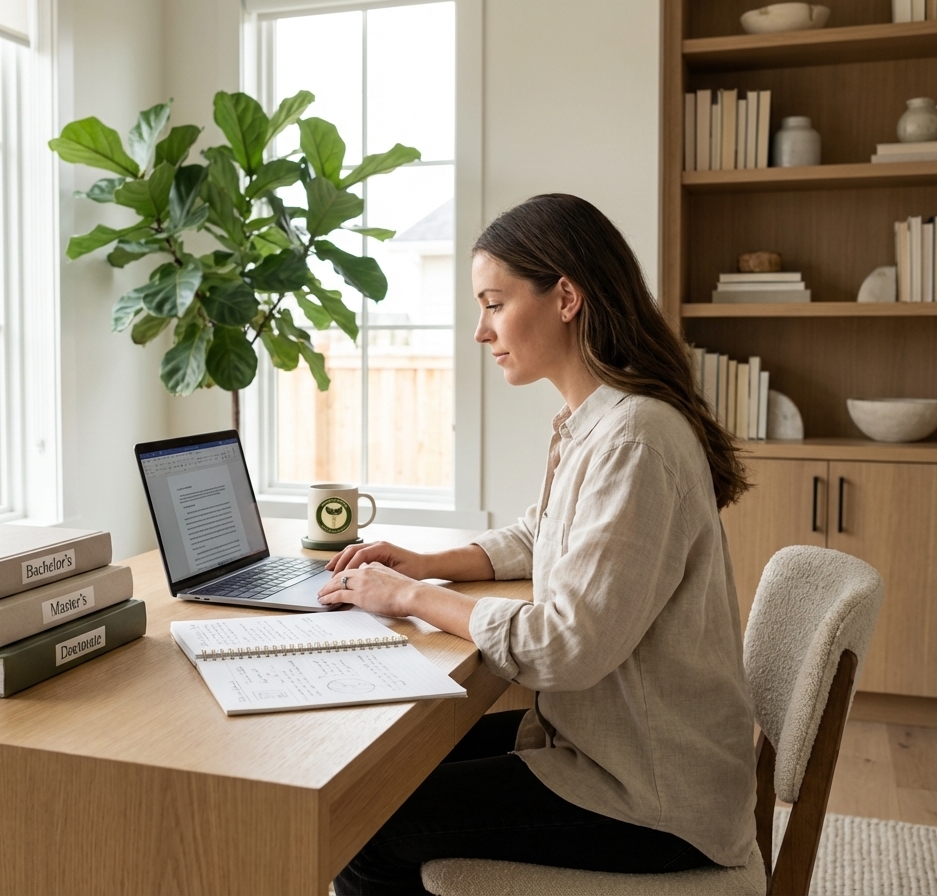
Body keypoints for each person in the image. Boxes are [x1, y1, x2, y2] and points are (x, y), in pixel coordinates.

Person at [318, 193, 758, 895]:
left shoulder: (634, 440)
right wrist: (429, 563)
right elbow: (541, 533)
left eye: (493, 303)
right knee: (381, 777)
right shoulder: (595, 420)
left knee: (364, 829)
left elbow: (563, 647)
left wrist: (411, 597)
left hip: (650, 794)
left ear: (566, 297)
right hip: (604, 750)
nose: (480, 330)